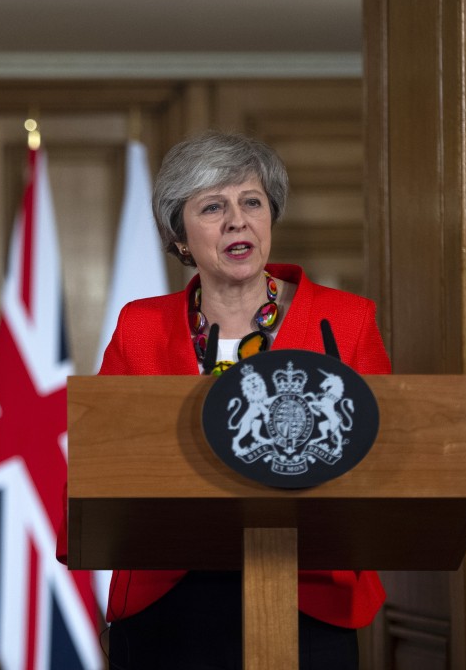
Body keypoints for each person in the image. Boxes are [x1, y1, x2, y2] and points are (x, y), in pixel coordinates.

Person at [79, 131, 390, 669]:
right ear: (180, 237)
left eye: (252, 202)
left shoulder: (344, 321)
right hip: (167, 596)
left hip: (307, 593)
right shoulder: (140, 327)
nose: (236, 220)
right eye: (211, 207)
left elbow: (387, 455)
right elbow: (100, 458)